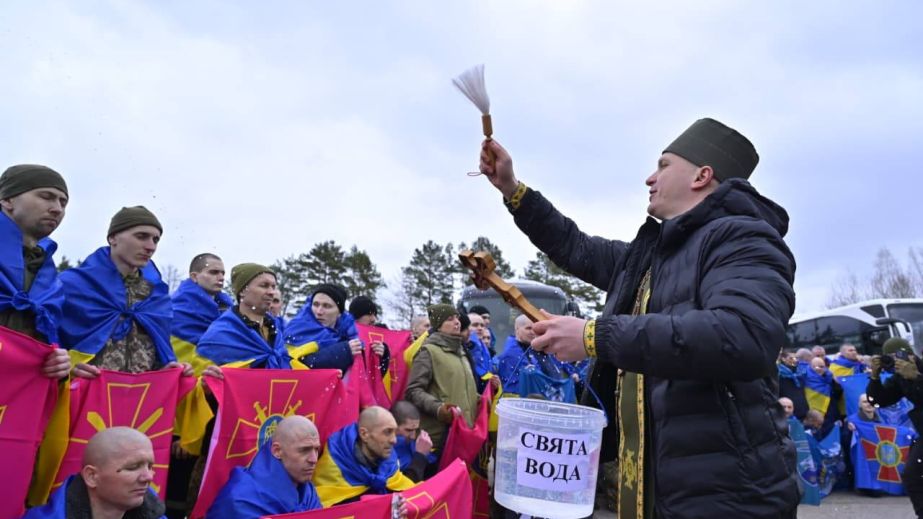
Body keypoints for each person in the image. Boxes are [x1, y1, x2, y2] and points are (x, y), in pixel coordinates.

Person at [478, 118, 799, 518]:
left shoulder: (744, 239)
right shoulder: (652, 256)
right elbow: (575, 246)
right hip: (660, 488)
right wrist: (512, 189)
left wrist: (593, 336)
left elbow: (743, 336)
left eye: (663, 165)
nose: (650, 177)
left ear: (701, 176)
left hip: (726, 494)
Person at [60, 206, 191, 378]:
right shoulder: (72, 285)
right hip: (84, 390)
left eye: (155, 240)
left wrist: (168, 370)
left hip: (142, 393)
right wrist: (68, 370)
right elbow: (47, 344)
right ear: (113, 238)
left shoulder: (156, 297)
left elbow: (159, 351)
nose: (150, 246)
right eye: (141, 236)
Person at [0, 164, 71, 379]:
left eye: (63, 202)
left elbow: (46, 342)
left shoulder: (49, 278)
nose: (57, 208)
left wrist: (59, 364)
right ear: (7, 200)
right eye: (46, 197)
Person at [23, 427, 165, 518]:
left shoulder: (156, 515)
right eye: (133, 467)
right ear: (91, 476)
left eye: (150, 466)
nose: (148, 476)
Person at [207, 416, 322, 518]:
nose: (314, 459)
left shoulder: (308, 493)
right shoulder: (240, 499)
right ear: (277, 451)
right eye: (304, 450)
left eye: (316, 449)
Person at [404, 304, 480, 455]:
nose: (457, 322)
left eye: (457, 318)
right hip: (439, 438)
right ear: (438, 325)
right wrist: (439, 409)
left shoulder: (462, 353)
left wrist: (482, 398)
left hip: (462, 434)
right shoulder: (428, 352)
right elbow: (413, 391)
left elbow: (461, 390)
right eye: (450, 319)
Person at [197, 263, 305, 369]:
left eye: (273, 286)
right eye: (264, 285)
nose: (271, 292)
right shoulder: (220, 334)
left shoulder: (276, 332)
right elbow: (200, 375)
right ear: (243, 291)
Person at [313, 406, 416, 507]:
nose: (394, 440)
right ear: (364, 434)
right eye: (387, 432)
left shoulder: (390, 461)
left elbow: (408, 492)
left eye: (394, 432)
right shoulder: (335, 464)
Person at [867, 337, 923, 515]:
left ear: (910, 354)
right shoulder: (899, 378)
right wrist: (874, 377)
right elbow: (877, 401)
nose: (896, 361)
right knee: (912, 475)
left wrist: (917, 378)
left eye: (898, 356)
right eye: (889, 357)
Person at [170, 253, 233, 375]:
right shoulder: (176, 310)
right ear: (194, 276)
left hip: (219, 376)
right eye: (213, 272)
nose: (221, 277)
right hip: (186, 376)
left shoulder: (228, 310)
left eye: (223, 273)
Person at [493, 314, 574, 402]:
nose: (532, 332)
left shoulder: (538, 350)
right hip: (526, 404)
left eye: (535, 329)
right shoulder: (511, 355)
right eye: (528, 328)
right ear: (517, 329)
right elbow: (518, 389)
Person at [284, 283, 362, 371]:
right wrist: (344, 350)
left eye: (327, 306)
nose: (319, 312)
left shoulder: (347, 336)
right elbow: (301, 361)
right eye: (315, 304)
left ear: (339, 313)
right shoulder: (297, 328)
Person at [390, 400, 434, 482]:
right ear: (393, 425)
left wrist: (424, 454)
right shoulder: (384, 451)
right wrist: (420, 456)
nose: (413, 436)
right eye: (408, 430)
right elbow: (405, 484)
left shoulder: (415, 444)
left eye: (415, 430)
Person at [778, 349, 809, 420]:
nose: (795, 360)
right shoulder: (779, 375)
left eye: (796, 358)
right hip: (787, 414)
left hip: (803, 413)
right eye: (791, 358)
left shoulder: (800, 374)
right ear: (783, 359)